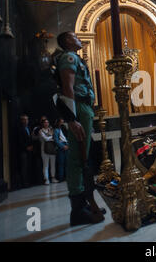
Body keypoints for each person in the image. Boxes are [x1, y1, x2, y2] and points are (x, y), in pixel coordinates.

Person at [54, 31, 104, 226]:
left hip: (84, 108)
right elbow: (68, 87)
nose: (79, 39)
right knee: (76, 157)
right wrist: (72, 119)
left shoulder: (75, 58)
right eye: (75, 36)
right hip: (79, 108)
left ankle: (83, 204)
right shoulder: (69, 57)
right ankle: (77, 210)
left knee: (83, 156)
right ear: (67, 41)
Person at [39, 118, 58, 185]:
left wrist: (50, 136)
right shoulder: (41, 131)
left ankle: (53, 178)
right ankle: (46, 179)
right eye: (45, 122)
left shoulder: (51, 129)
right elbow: (46, 139)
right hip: (44, 150)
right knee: (46, 165)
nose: (46, 123)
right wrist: (51, 136)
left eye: (47, 122)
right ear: (42, 124)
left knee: (53, 164)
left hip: (52, 149)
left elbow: (55, 138)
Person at [17, 114, 33, 188]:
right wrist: (26, 147)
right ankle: (24, 183)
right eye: (24, 119)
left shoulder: (29, 128)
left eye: (27, 119)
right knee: (24, 167)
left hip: (30, 150)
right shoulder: (19, 129)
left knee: (29, 166)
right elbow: (19, 141)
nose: (26, 121)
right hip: (23, 151)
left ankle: (29, 181)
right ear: (22, 120)